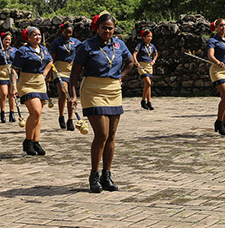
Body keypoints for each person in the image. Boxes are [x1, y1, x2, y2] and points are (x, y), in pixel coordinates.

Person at [73, 14, 132, 193]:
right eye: (104, 27)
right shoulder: (86, 46)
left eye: (110, 28)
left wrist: (120, 77)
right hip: (93, 90)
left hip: (113, 89)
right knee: (102, 134)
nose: (107, 31)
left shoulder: (119, 45)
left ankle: (107, 175)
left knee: (112, 135)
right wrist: (72, 95)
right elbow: (74, 73)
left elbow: (130, 62)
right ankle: (94, 175)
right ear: (97, 28)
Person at [9, 27, 54, 156]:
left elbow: (50, 61)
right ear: (28, 37)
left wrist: (45, 73)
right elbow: (14, 69)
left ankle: (36, 141)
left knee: (38, 115)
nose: (38, 37)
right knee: (35, 111)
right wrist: (13, 86)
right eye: (34, 35)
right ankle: (28, 141)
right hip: (26, 84)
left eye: (39, 34)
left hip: (40, 83)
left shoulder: (44, 49)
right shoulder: (23, 51)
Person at [49, 22, 79, 129]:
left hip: (71, 70)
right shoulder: (56, 43)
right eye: (66, 32)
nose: (68, 34)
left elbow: (83, 50)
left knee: (70, 94)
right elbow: (52, 58)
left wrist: (76, 59)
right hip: (59, 69)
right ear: (62, 31)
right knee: (63, 91)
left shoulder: (75, 42)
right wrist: (49, 72)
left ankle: (70, 119)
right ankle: (61, 116)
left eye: (70, 32)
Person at [0, 31, 17, 123]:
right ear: (2, 40)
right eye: (6, 39)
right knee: (4, 93)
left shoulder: (14, 50)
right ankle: (2, 113)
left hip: (11, 72)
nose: (7, 41)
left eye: (9, 40)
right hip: (1, 72)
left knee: (12, 94)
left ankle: (12, 114)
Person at [130, 27, 157, 110]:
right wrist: (136, 61)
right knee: (148, 83)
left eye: (151, 36)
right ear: (144, 37)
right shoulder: (140, 45)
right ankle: (143, 100)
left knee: (148, 84)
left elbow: (156, 54)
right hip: (141, 65)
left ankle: (149, 102)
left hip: (149, 65)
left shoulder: (152, 46)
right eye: (148, 36)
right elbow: (134, 54)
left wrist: (153, 61)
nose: (150, 38)